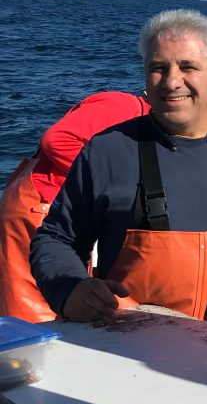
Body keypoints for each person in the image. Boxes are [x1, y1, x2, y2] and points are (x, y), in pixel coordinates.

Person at [30, 9, 207, 340]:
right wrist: (69, 289)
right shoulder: (107, 151)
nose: (171, 81)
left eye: (188, 67)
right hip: (129, 361)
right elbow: (56, 238)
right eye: (158, 68)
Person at [0, 91, 149, 322]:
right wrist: (103, 176)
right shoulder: (125, 107)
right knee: (33, 312)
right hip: (40, 206)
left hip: (48, 203)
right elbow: (57, 139)